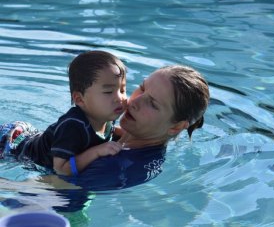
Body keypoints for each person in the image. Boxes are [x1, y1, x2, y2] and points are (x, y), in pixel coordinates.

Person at [63, 64, 210, 190]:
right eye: (142, 88)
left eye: (152, 103)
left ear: (177, 126)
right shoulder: (110, 133)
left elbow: (53, 191)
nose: (134, 102)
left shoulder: (116, 168)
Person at [0, 50, 127, 176]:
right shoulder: (73, 126)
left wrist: (128, 133)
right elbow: (60, 168)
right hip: (12, 145)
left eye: (122, 90)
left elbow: (105, 133)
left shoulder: (105, 114)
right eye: (108, 92)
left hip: (30, 135)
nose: (119, 98)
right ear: (79, 99)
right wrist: (96, 152)